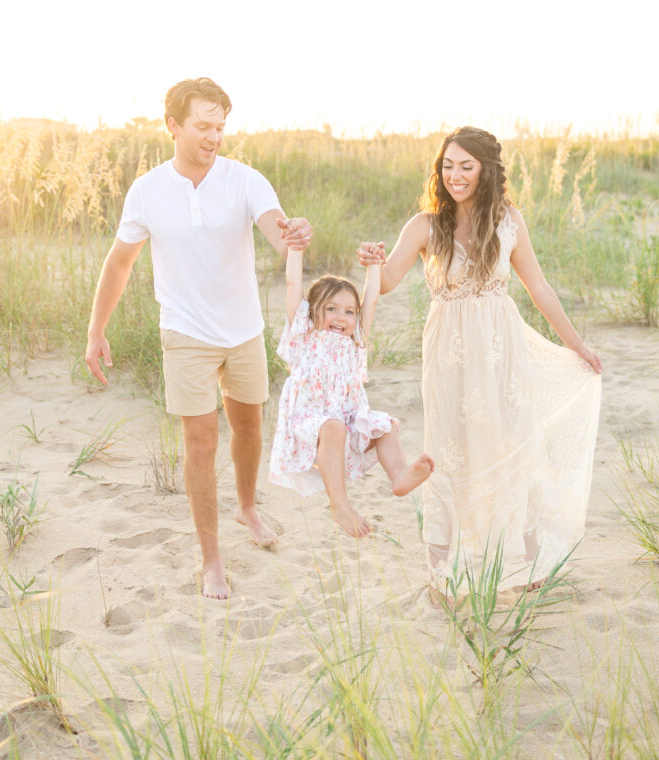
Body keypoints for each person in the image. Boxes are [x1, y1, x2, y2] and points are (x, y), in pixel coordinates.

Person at [85, 77, 312, 600]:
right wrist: (96, 329)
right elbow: (119, 262)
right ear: (173, 126)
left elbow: (277, 231)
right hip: (185, 331)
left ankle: (248, 506)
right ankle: (211, 558)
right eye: (204, 127)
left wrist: (293, 235)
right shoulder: (147, 191)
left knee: (249, 427)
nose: (215, 137)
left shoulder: (245, 180)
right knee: (201, 440)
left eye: (221, 127)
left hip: (242, 329)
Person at [358, 126, 602, 595]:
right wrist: (372, 262)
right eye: (447, 166)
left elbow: (540, 288)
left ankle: (526, 564)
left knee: (513, 443)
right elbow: (386, 279)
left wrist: (577, 345)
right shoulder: (425, 225)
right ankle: (443, 570)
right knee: (449, 449)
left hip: (502, 352)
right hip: (449, 356)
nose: (454, 175)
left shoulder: (509, 221)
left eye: (465, 166)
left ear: (486, 170)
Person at [269, 243, 434, 537]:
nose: (341, 317)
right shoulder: (304, 335)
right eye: (331, 309)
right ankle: (340, 504)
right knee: (332, 427)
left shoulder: (355, 342)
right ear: (311, 313)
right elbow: (293, 283)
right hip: (310, 426)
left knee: (384, 427)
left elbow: (370, 302)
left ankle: (399, 476)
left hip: (347, 424)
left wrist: (374, 266)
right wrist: (295, 249)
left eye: (348, 312)